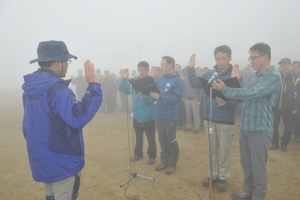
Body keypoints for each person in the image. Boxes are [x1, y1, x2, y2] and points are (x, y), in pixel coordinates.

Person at [22, 40, 102, 200]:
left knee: (50, 196)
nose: (67, 64)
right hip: (62, 161)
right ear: (58, 62)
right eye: (67, 61)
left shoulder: (30, 88)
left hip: (41, 159)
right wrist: (94, 86)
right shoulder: (57, 89)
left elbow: (27, 126)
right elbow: (77, 117)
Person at [212, 43, 281, 200]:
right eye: (250, 58)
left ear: (264, 57)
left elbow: (252, 93)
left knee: (258, 167)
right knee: (246, 164)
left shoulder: (274, 77)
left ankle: (258, 195)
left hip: (260, 129)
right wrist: (228, 100)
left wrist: (224, 89)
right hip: (246, 127)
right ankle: (247, 190)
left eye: (253, 58)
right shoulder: (255, 76)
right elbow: (245, 96)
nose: (250, 61)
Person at [188, 45, 240, 191]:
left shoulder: (234, 74)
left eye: (224, 58)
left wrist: (228, 103)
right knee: (212, 149)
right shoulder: (210, 74)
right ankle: (213, 174)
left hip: (225, 119)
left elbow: (240, 96)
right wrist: (191, 68)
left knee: (224, 150)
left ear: (229, 58)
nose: (221, 61)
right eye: (218, 58)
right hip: (210, 119)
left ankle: (223, 177)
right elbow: (193, 83)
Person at [150, 56, 184, 175]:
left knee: (171, 140)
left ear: (170, 65)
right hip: (158, 114)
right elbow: (152, 90)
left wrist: (160, 97)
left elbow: (176, 98)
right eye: (161, 64)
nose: (161, 66)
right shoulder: (160, 79)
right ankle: (164, 161)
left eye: (163, 64)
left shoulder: (178, 80)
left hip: (170, 115)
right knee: (162, 139)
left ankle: (172, 163)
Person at [119, 61, 157, 165]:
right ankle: (138, 153)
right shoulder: (134, 83)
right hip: (136, 115)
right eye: (140, 69)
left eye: (144, 70)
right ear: (138, 70)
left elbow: (155, 98)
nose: (142, 72)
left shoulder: (151, 83)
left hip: (148, 115)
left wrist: (146, 98)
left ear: (148, 71)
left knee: (151, 138)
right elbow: (123, 89)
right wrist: (123, 78)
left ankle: (152, 155)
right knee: (138, 136)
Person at [269, 58, 294, 151]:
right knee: (274, 125)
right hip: (276, 106)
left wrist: (295, 107)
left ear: (289, 64)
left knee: (287, 126)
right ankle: (275, 143)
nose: (283, 66)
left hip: (288, 107)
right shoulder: (276, 75)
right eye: (282, 64)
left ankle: (284, 144)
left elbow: (296, 93)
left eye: (285, 64)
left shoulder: (293, 76)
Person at [183, 67, 204, 134]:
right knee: (188, 113)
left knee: (196, 114)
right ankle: (188, 126)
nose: (187, 71)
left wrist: (199, 100)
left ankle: (197, 128)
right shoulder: (184, 79)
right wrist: (183, 96)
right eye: (186, 70)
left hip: (195, 99)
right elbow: (183, 88)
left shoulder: (197, 79)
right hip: (187, 99)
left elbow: (201, 90)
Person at [291, 61, 300, 143]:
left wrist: (297, 107)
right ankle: (293, 132)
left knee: (298, 121)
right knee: (293, 120)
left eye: (296, 67)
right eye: (293, 67)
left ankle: (298, 136)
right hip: (293, 101)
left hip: (298, 103)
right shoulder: (293, 76)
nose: (294, 69)